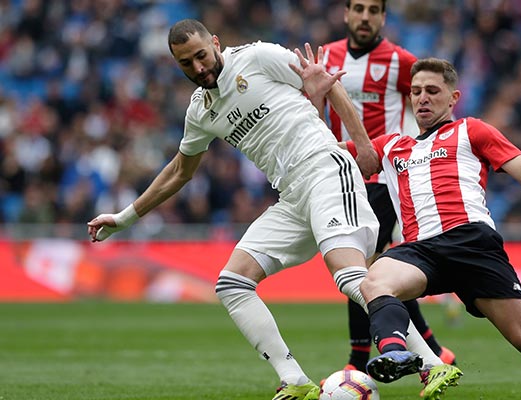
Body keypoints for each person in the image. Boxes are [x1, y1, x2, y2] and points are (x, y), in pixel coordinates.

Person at [86, 19, 385, 400]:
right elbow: (180, 171)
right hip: (292, 196)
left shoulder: (258, 57)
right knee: (231, 283)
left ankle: (428, 361)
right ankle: (294, 380)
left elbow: (326, 81)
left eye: (201, 56)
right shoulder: (200, 112)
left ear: (215, 43)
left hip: (325, 169)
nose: (198, 68)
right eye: (186, 63)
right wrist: (124, 217)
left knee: (349, 276)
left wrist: (363, 147)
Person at [329, 58, 521, 399]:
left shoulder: (471, 130)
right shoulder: (392, 146)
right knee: (374, 279)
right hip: (420, 251)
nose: (422, 98)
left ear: (453, 98)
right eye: (416, 92)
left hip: (472, 243)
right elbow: (344, 156)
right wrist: (330, 91)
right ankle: (394, 352)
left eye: (432, 91)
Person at [320, 0, 455, 373]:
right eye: (358, 8)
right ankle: (434, 350)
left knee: (360, 266)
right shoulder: (327, 56)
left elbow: (438, 100)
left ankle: (357, 360)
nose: (365, 17)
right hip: (337, 176)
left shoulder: (400, 61)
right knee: (377, 270)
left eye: (373, 10)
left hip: (380, 178)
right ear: (346, 13)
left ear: (383, 17)